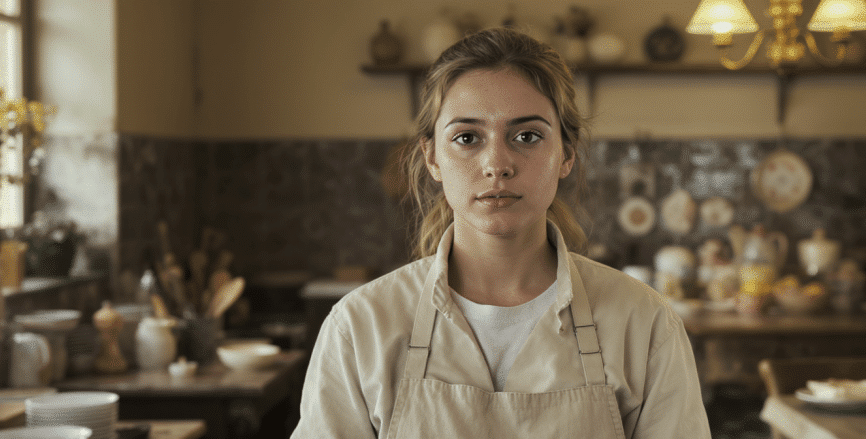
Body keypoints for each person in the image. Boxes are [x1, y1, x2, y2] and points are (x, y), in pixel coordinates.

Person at [292, 27, 710, 438]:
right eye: (467, 137)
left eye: (526, 136)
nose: (497, 163)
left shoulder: (645, 323)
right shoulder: (361, 327)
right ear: (432, 156)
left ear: (566, 154)